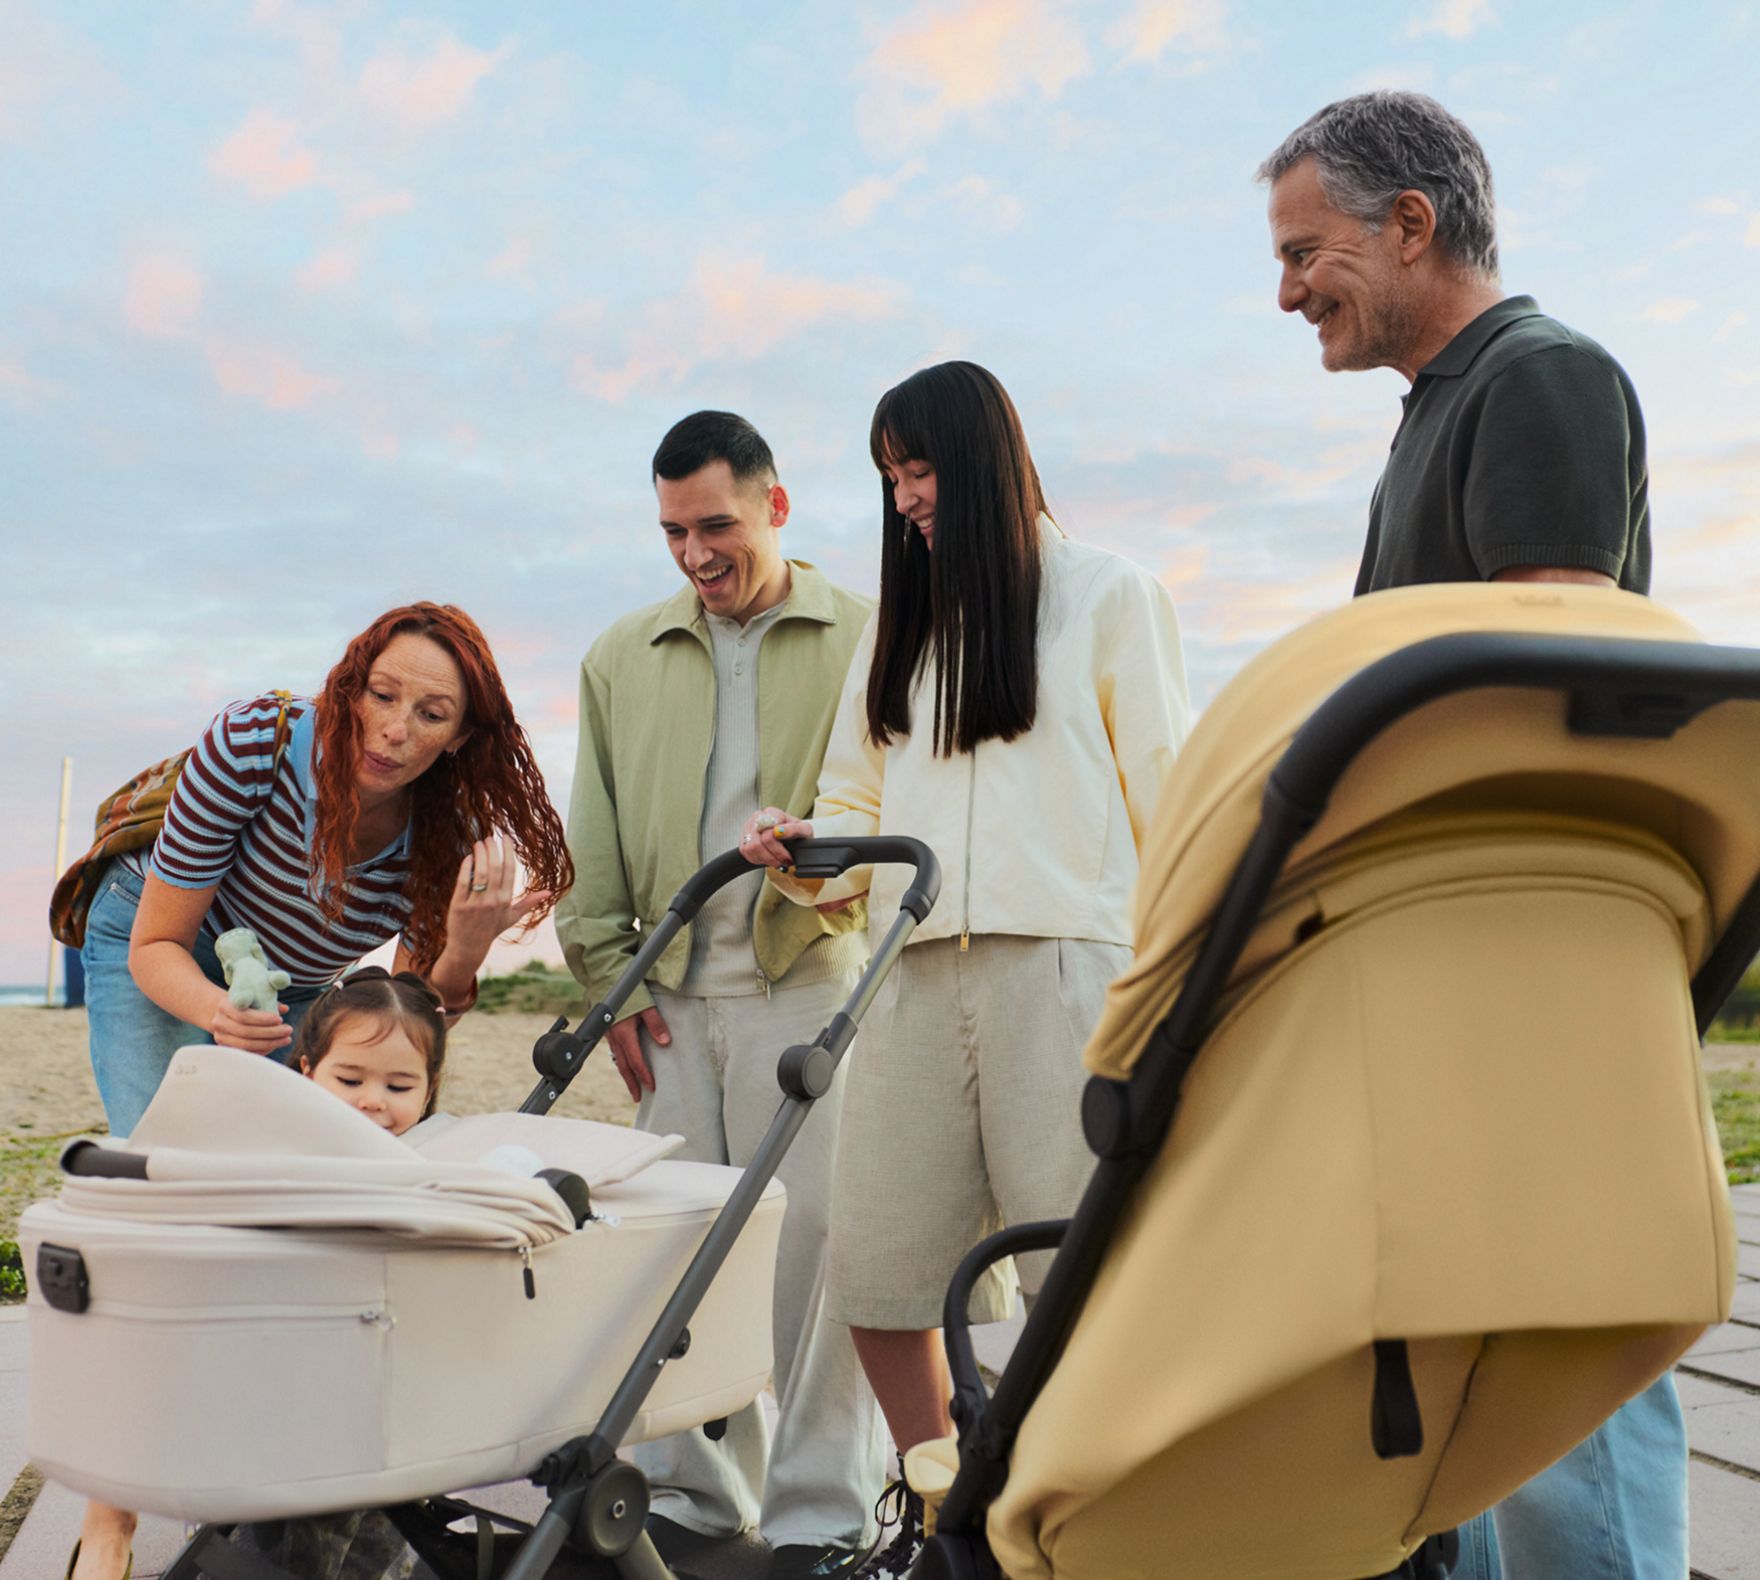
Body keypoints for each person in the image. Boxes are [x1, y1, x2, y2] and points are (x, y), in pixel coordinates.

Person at [1260, 90, 1664, 1580]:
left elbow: (1545, 683)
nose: (1287, 291)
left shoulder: (1539, 377)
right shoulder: (1433, 413)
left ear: (1410, 225)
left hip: (1525, 947)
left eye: (1304, 251)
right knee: (1464, 1362)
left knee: (1560, 1338)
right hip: (1443, 951)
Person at [742, 360, 1190, 1579]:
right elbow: (856, 803)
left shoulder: (1109, 595)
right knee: (878, 1273)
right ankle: (950, 1515)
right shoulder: (897, 630)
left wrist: (1184, 992)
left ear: (984, 458)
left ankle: (1095, 1528)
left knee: (1083, 1282)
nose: (904, 498)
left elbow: (1172, 802)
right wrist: (802, 848)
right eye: (890, 476)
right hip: (911, 975)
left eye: (920, 467)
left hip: (1069, 972)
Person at [68, 602, 572, 1580]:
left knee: (286, 1209)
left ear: (462, 735)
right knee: (163, 1203)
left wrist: (466, 948)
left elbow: (411, 1020)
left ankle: (264, 1464)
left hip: (295, 985)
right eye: (381, 695)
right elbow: (159, 943)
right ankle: (108, 1519)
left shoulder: (448, 827)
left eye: (430, 714)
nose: (394, 729)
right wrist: (218, 1013)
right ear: (350, 684)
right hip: (156, 939)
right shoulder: (255, 744)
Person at [554, 411, 886, 1580]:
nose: (695, 552)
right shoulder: (620, 653)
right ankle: (695, 1493)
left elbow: (890, 796)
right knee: (680, 1248)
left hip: (813, 980)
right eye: (671, 531)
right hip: (672, 996)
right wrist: (609, 981)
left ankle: (821, 1513)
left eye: (715, 524)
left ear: (774, 505)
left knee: (813, 1255)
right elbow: (590, 825)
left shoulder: (868, 634)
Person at [295, 966, 448, 1132]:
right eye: (350, 1081)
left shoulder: (445, 1145)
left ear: (428, 1092)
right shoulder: (277, 1141)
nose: (373, 1102)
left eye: (398, 1087)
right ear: (309, 1076)